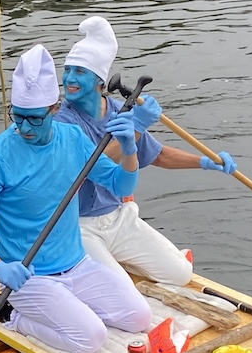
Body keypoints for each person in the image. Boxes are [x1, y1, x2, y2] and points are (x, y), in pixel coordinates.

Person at [0, 44, 151, 353]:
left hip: (77, 264)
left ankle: (66, 308)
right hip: (26, 275)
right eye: (17, 117)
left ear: (54, 108)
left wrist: (129, 149)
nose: (23, 128)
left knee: (139, 317)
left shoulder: (73, 139)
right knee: (91, 338)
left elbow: (120, 184)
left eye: (34, 119)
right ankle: (15, 316)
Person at [53, 16, 239, 286]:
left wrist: (206, 162)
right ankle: (94, 271)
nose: (69, 78)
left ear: (99, 82)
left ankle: (115, 261)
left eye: (79, 72)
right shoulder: (61, 120)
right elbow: (93, 165)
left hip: (118, 216)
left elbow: (157, 155)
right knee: (120, 290)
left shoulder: (118, 109)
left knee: (180, 274)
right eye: (68, 70)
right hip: (77, 225)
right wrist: (137, 126)